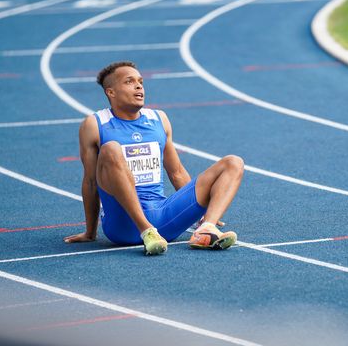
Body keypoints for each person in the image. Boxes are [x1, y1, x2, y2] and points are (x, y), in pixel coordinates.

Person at [63, 61, 244, 255]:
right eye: (129, 81)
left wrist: (195, 210)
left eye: (140, 81)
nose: (139, 86)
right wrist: (90, 232)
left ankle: (206, 229)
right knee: (111, 149)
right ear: (111, 92)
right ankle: (146, 231)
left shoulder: (159, 119)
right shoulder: (95, 124)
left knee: (233, 162)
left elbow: (176, 172)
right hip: (123, 224)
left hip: (164, 218)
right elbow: (90, 182)